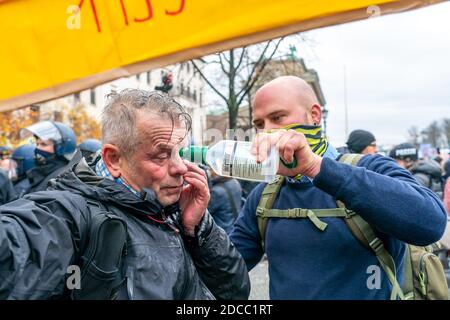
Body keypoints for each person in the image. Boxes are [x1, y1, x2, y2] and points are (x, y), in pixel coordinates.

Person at [0, 89, 249, 299]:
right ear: (114, 159)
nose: (180, 167)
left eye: (180, 153)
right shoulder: (71, 212)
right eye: (161, 155)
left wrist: (198, 230)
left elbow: (236, 292)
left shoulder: (171, 207)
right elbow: (17, 245)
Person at [230, 76, 447, 299]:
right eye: (259, 124)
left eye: (277, 117)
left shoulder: (371, 167)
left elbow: (431, 223)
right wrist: (199, 227)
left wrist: (316, 167)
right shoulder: (265, 196)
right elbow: (225, 274)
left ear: (314, 115)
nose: (267, 130)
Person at [19, 121, 77, 194]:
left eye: (44, 144)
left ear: (60, 148)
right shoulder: (44, 172)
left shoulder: (62, 179)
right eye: (37, 144)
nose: (38, 148)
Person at [207, 170, 242, 235]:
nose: (209, 171)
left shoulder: (217, 192)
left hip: (223, 232)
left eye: (211, 169)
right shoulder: (235, 182)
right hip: (235, 227)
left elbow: (205, 212)